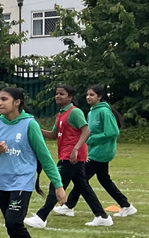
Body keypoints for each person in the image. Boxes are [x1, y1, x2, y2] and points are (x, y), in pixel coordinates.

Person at [0, 87, 65, 238]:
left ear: (17, 102)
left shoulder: (29, 124)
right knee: (11, 226)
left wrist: (58, 185)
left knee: (14, 222)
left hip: (22, 180)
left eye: (4, 99)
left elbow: (44, 156)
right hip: (0, 181)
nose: (0, 103)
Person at [24, 85, 112, 228]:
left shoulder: (74, 112)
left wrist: (75, 149)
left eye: (62, 94)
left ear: (70, 97)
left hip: (72, 156)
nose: (58, 96)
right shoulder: (60, 114)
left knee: (56, 183)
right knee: (83, 186)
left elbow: (86, 130)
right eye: (57, 94)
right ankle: (102, 216)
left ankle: (41, 217)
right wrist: (36, 129)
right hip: (68, 154)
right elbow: (54, 135)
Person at [54, 85, 137, 218]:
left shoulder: (104, 111)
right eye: (87, 95)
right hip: (94, 150)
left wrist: (91, 139)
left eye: (92, 95)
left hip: (101, 152)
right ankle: (126, 206)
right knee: (103, 179)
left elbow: (113, 132)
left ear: (99, 97)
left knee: (81, 179)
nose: (88, 97)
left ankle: (69, 206)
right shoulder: (91, 111)